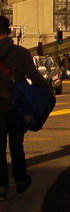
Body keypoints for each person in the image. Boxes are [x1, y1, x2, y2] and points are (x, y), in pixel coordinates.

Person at [0, 15, 50, 199]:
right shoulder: (20, 53)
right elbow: (34, 76)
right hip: (16, 108)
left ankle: (1, 187)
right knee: (16, 146)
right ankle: (20, 181)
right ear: (8, 31)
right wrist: (47, 90)